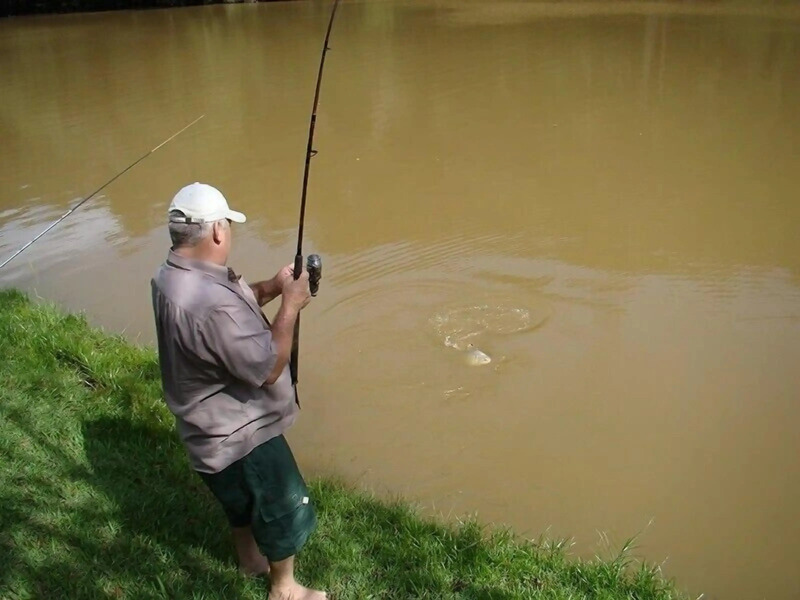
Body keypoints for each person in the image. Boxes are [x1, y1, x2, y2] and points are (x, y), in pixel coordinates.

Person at [150, 182, 325, 600]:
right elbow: (267, 366)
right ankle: (286, 590)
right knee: (282, 505)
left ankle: (249, 561)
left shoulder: (170, 278)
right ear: (216, 232)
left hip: (204, 434)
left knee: (239, 502)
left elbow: (227, 319)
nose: (229, 232)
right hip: (243, 435)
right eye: (228, 225)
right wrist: (291, 306)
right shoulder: (211, 303)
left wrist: (273, 285)